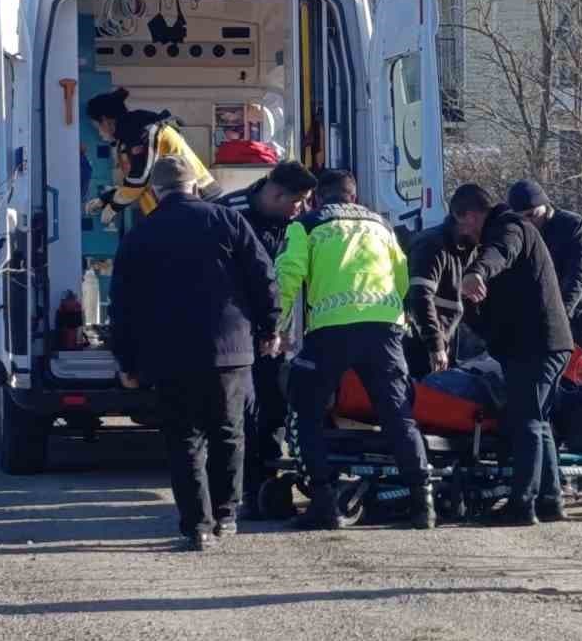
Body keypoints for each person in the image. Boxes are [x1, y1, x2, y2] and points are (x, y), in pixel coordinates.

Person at [110, 156, 280, 552]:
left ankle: (197, 526)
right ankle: (226, 515)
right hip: (230, 351)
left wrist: (127, 361)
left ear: (154, 191)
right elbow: (263, 276)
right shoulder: (228, 221)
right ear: (196, 186)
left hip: (170, 355)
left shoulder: (141, 233)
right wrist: (269, 328)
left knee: (185, 438)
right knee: (229, 433)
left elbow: (123, 304)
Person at [277, 170, 434, 531]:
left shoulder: (307, 224)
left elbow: (288, 274)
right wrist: (401, 322)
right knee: (398, 413)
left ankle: (323, 503)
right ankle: (422, 503)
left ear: (320, 197)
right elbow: (401, 275)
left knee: (306, 410)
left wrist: (276, 324)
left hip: (331, 330)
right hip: (384, 329)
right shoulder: (381, 226)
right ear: (354, 197)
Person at [451, 184, 573, 526]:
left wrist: (477, 272)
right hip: (545, 343)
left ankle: (523, 503)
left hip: (536, 345)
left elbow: (500, 254)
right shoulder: (507, 229)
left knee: (526, 422)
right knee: (539, 420)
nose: (465, 233)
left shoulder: (509, 229)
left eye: (463, 224)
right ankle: (550, 500)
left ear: (471, 215)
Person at [221, 160, 319, 518]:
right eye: (298, 201)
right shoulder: (230, 213)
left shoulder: (297, 222)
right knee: (242, 413)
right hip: (239, 331)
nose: (302, 209)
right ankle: (245, 489)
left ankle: (268, 486)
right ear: (276, 194)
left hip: (279, 335)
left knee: (275, 408)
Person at [85, 88, 222, 226]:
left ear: (106, 120)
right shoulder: (131, 136)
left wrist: (113, 206)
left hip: (197, 203)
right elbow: (136, 181)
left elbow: (139, 180)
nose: (99, 132)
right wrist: (106, 199)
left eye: (97, 126)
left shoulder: (145, 132)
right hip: (179, 205)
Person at [508, 179, 582, 354]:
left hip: (581, 324)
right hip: (544, 328)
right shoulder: (520, 233)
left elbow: (578, 277)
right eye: (522, 218)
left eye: (532, 215)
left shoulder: (573, 225)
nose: (529, 222)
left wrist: (557, 318)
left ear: (545, 205)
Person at [404, 213, 475, 379]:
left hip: (444, 335)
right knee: (423, 391)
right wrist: (436, 346)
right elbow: (420, 297)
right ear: (468, 220)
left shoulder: (465, 246)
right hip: (422, 338)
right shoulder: (432, 245)